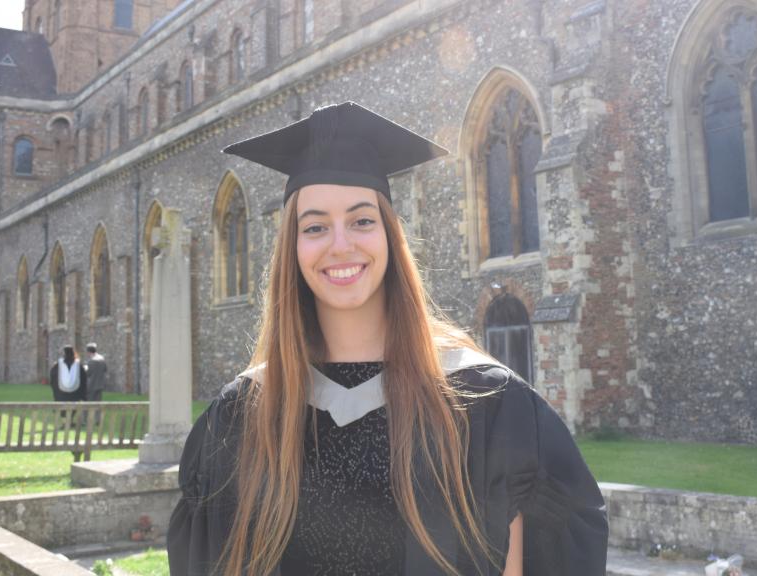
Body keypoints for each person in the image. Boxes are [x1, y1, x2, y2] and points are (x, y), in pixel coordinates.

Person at [167, 102, 608, 575]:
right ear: (291, 248)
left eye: (361, 220)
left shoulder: (485, 404)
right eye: (315, 226)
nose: (341, 244)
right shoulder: (242, 416)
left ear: (390, 236)